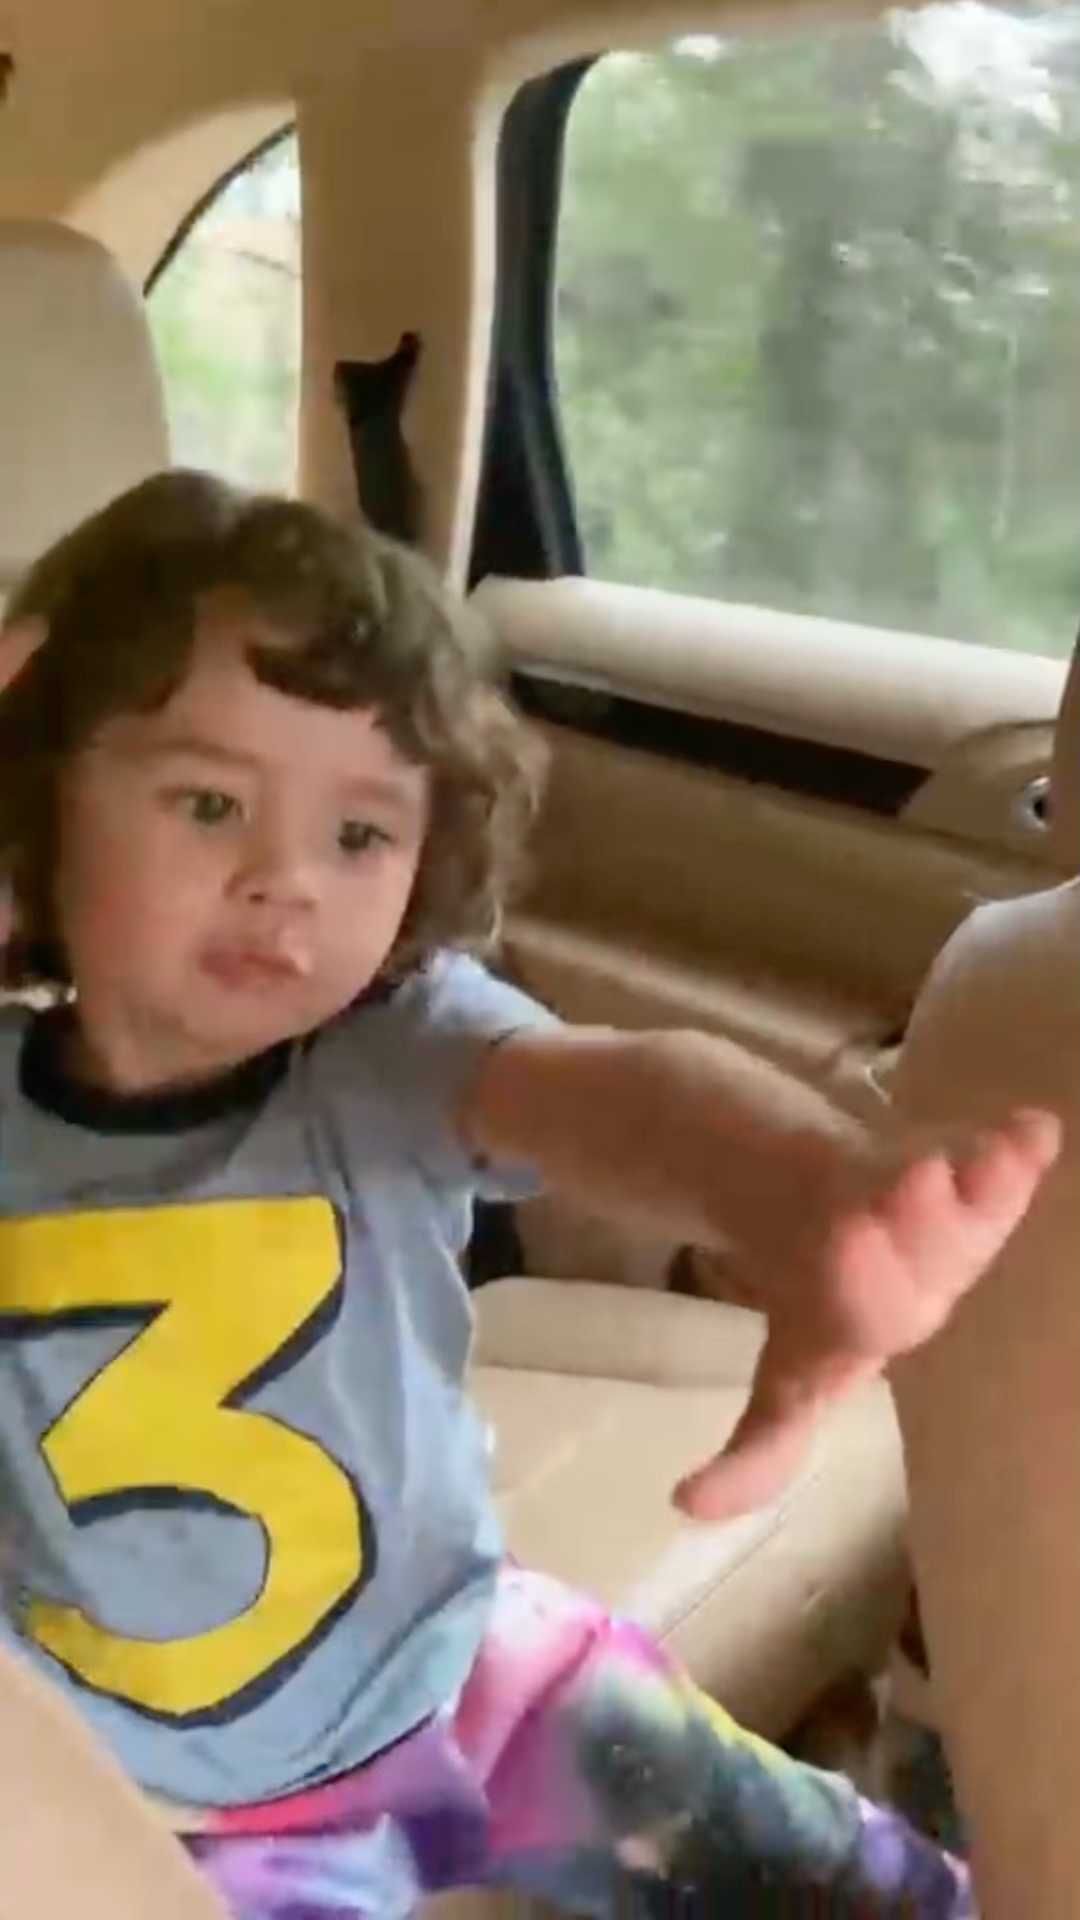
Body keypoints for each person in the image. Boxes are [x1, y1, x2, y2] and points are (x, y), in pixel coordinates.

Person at [0, 471, 1058, 1918]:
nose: (285, 880)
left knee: (865, 1887)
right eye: (209, 802)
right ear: (40, 790)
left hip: (478, 1672)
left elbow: (624, 1091)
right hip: (187, 1811)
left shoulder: (388, 1045)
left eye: (361, 835)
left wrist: (809, 1188)